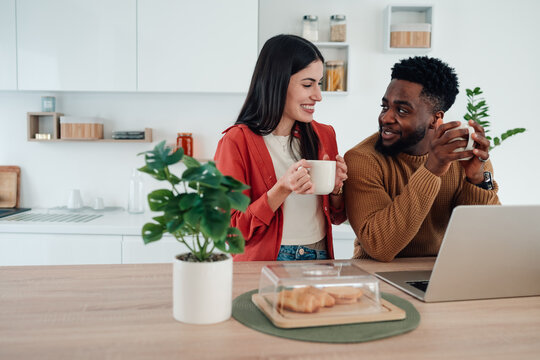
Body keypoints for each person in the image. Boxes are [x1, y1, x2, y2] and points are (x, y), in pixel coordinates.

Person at [344, 56, 500, 262]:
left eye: (401, 110)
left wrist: (478, 180)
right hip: (377, 275)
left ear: (435, 118)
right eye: (385, 107)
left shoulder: (464, 156)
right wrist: (431, 171)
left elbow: (483, 240)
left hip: (441, 272)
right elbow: (379, 246)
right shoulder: (362, 159)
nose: (386, 118)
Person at [214, 34, 347, 261]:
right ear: (277, 82)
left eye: (319, 83)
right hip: (265, 262)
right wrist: (282, 188)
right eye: (308, 84)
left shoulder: (325, 135)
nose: (318, 95)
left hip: (319, 256)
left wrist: (336, 190)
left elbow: (337, 216)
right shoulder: (236, 141)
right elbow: (230, 232)